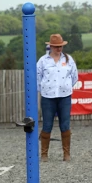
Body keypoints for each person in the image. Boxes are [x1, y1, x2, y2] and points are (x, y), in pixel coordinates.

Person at [37, 33, 78, 162]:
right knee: (47, 125)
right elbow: (38, 78)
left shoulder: (69, 59)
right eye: (56, 46)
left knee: (65, 124)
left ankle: (66, 153)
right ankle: (44, 154)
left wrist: (66, 87)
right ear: (51, 46)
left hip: (65, 97)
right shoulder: (43, 61)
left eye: (60, 46)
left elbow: (74, 77)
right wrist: (44, 89)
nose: (58, 48)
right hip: (48, 97)